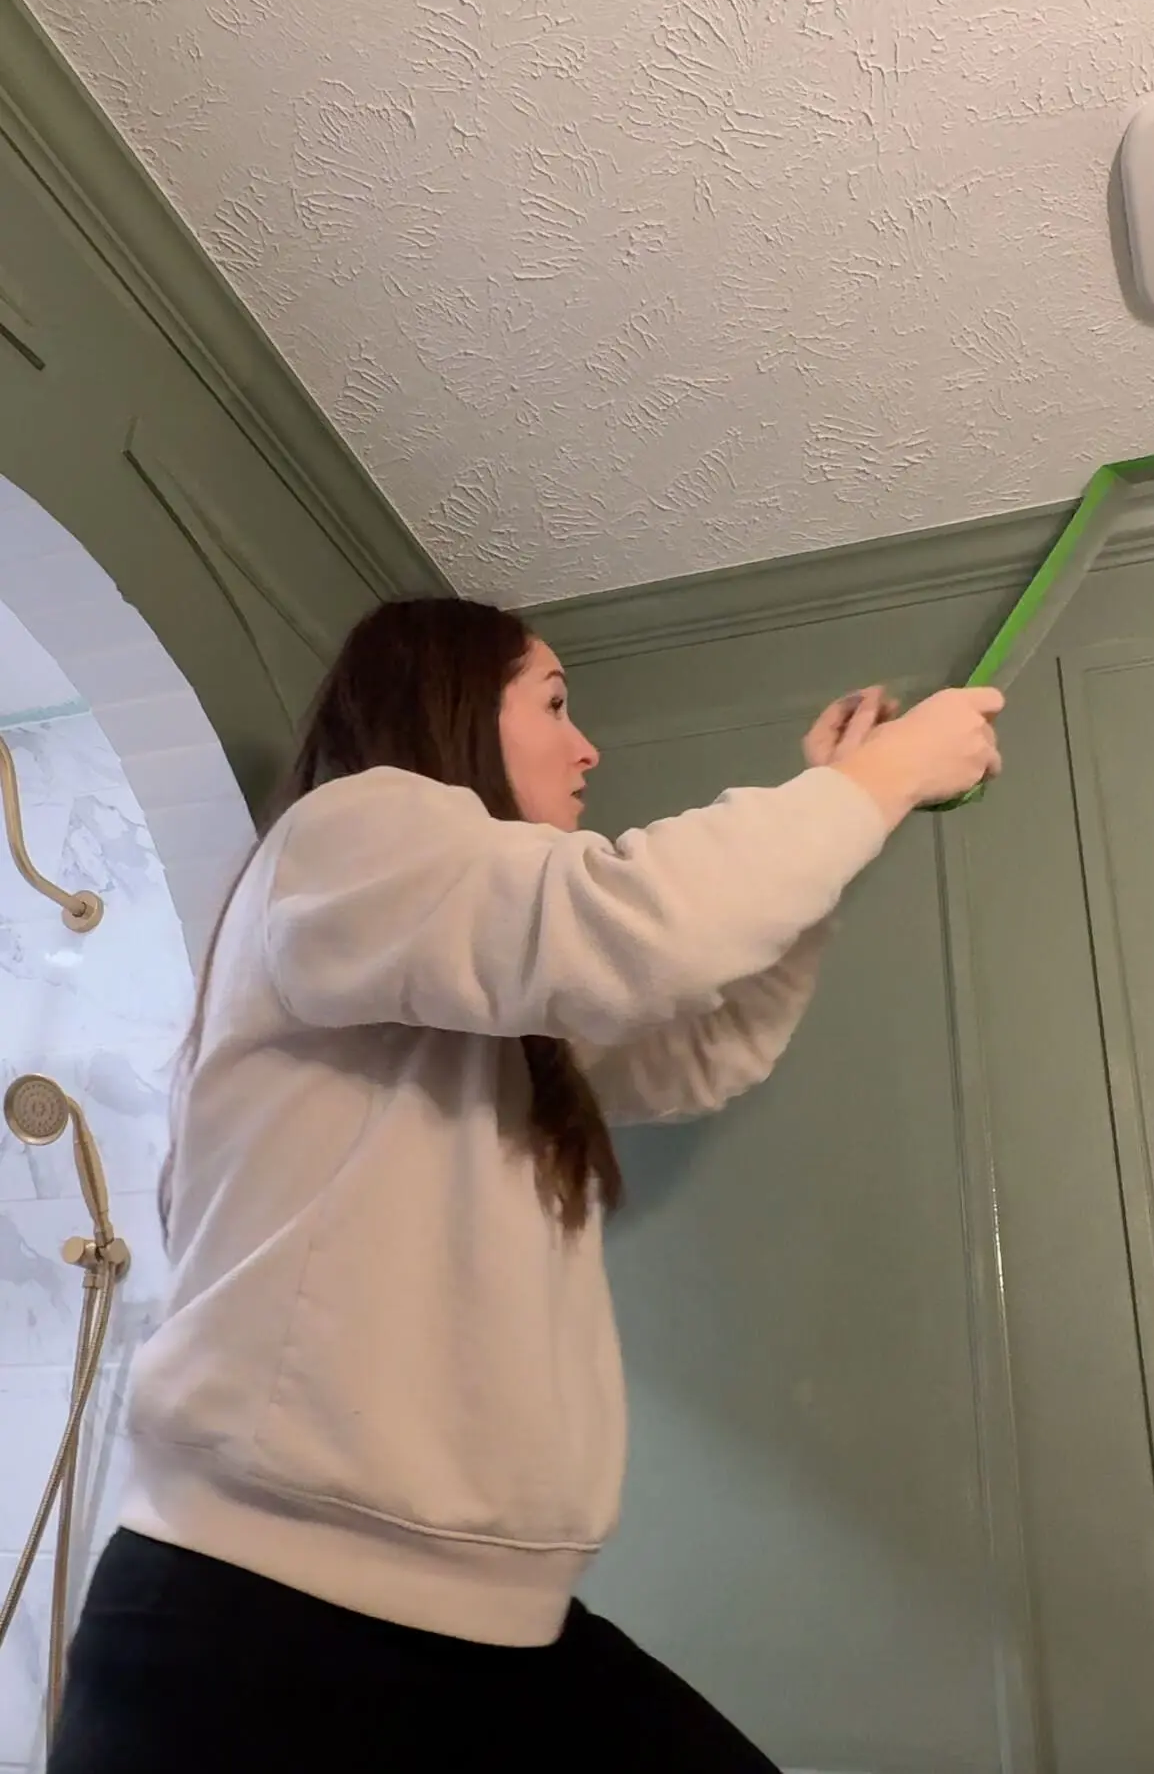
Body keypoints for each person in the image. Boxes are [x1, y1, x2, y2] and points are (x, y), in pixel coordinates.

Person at [48, 596, 1003, 1774]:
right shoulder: (349, 834)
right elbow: (642, 928)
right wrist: (884, 778)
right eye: (553, 701)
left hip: (489, 1624)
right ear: (445, 702)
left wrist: (846, 811)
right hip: (260, 1619)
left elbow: (698, 1042)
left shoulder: (481, 978)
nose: (587, 743)